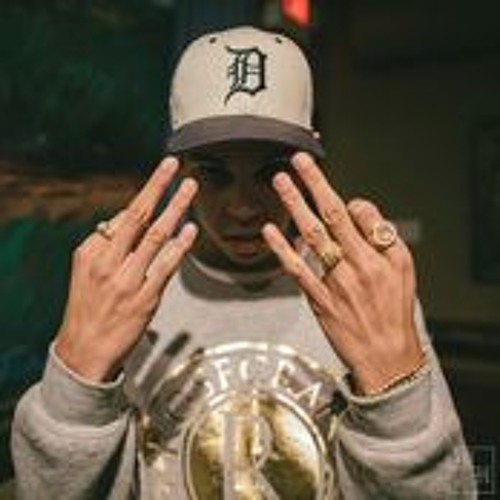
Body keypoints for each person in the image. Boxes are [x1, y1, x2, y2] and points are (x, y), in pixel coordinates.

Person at [11, 26, 475, 499]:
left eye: (271, 171)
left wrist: (395, 407)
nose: (243, 207)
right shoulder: (126, 295)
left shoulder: (364, 297)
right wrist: (75, 390)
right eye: (214, 174)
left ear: (308, 164)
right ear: (180, 168)